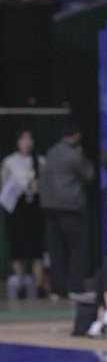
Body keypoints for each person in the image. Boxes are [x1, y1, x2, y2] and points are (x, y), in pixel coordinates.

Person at [38, 116, 95, 301]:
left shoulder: (51, 152)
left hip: (50, 208)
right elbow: (89, 175)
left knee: (57, 249)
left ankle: (57, 289)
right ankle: (76, 287)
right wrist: (82, 153)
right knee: (78, 248)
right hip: (70, 207)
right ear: (76, 135)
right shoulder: (74, 154)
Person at [1, 129, 46, 300]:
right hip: (16, 209)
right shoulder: (9, 161)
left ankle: (39, 285)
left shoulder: (40, 161)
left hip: (34, 208)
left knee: (37, 249)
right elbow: (5, 186)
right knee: (17, 249)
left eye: (30, 138)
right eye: (23, 138)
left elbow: (46, 185)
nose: (27, 142)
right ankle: (20, 284)